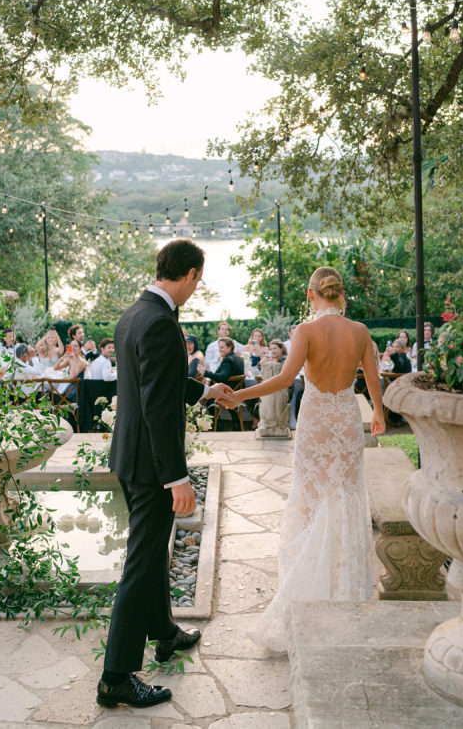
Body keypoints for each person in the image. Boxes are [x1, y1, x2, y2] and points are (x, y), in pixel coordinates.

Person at [98, 239, 230, 710]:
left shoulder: (134, 314)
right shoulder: (158, 321)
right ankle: (115, 676)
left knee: (153, 552)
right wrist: (176, 478)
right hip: (152, 465)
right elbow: (153, 405)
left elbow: (151, 381)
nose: (197, 288)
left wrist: (200, 390)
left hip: (131, 457)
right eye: (199, 280)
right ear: (191, 274)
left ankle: (166, 634)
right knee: (141, 562)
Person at [224, 266, 385, 652]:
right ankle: (344, 587)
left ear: (311, 295)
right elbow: (374, 378)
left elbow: (283, 380)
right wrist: (377, 412)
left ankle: (311, 585)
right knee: (344, 494)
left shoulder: (306, 331)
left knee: (312, 498)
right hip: (345, 417)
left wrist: (239, 396)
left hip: (315, 420)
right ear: (339, 294)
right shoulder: (360, 332)